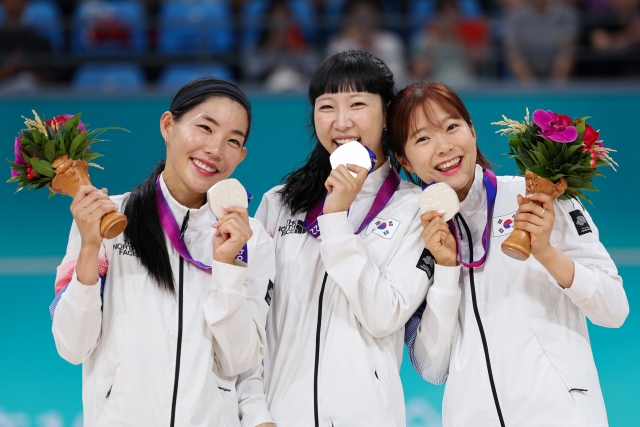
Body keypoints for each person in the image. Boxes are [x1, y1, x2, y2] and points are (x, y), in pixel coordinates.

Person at [388, 81, 629, 426]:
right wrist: (444, 270)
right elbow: (432, 366)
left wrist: (545, 252)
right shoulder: (415, 235)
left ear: (472, 131)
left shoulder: (538, 201)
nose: (443, 146)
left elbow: (614, 309)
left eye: (452, 127)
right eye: (422, 139)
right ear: (403, 158)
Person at [50, 78, 276, 427]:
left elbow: (240, 358)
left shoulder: (251, 238)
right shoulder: (108, 219)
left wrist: (227, 269)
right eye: (204, 127)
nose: (216, 149)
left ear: (242, 156)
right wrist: (90, 247)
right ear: (168, 126)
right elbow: (72, 346)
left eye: (233, 140)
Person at [254, 49, 430, 427]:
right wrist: (254, 411)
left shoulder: (416, 210)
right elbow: (253, 318)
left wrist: (335, 219)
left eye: (357, 104)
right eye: (326, 106)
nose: (341, 121)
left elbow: (384, 315)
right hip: (280, 415)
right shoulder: (280, 203)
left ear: (386, 115)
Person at [242, 0, 319, 92]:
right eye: (275, 20)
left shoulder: (301, 45)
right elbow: (250, 70)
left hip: (299, 88)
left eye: (284, 19)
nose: (280, 25)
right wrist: (271, 48)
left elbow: (315, 69)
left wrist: (297, 50)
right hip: (268, 90)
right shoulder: (258, 46)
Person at [327, 0, 407, 87]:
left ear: (378, 15)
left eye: (369, 12)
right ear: (350, 16)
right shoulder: (338, 44)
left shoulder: (391, 42)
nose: (364, 18)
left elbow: (398, 77)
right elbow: (335, 79)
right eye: (358, 13)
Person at [503, 0, 579, 84]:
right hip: (526, 81)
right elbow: (513, 52)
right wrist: (529, 85)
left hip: (561, 82)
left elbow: (568, 51)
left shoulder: (566, 14)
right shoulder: (516, 16)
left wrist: (556, 85)